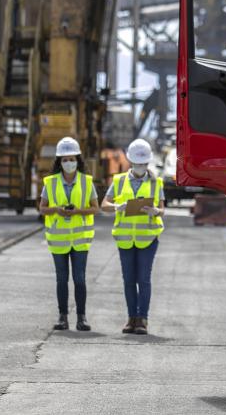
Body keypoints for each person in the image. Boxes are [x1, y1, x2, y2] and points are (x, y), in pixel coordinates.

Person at [101, 139, 165, 335]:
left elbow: (162, 209)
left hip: (147, 239)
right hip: (125, 238)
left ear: (148, 163)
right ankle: (131, 319)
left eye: (144, 164)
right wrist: (115, 207)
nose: (140, 167)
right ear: (130, 162)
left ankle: (142, 319)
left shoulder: (157, 182)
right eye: (137, 164)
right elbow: (104, 205)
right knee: (129, 279)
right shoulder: (119, 181)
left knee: (143, 279)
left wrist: (155, 211)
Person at [39, 137, 99, 331]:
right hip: (58, 240)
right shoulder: (50, 182)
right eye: (64, 160)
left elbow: (95, 208)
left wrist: (77, 212)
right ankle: (62, 317)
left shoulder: (86, 181)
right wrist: (57, 209)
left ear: (78, 160)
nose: (68, 163)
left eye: (71, 159)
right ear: (59, 162)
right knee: (61, 279)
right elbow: (42, 208)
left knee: (79, 279)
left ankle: (81, 317)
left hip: (80, 240)